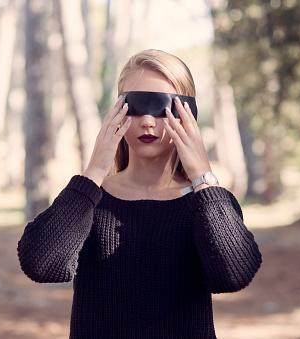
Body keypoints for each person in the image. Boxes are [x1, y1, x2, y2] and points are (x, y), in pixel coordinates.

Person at [17, 49, 263, 339]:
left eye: (163, 107)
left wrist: (202, 176)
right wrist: (95, 170)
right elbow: (40, 264)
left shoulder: (207, 203)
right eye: (135, 105)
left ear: (188, 115)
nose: (147, 120)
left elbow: (234, 274)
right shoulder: (91, 201)